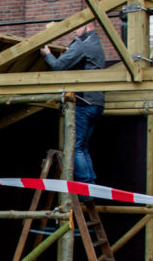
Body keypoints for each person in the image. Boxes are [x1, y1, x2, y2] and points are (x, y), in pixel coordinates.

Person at [40, 22, 105, 184]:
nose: (75, 30)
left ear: (88, 26)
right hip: (96, 103)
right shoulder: (96, 44)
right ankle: (90, 184)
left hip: (83, 102)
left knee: (75, 147)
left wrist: (47, 54)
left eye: (77, 26)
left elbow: (58, 66)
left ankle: (85, 184)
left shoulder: (82, 44)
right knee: (82, 147)